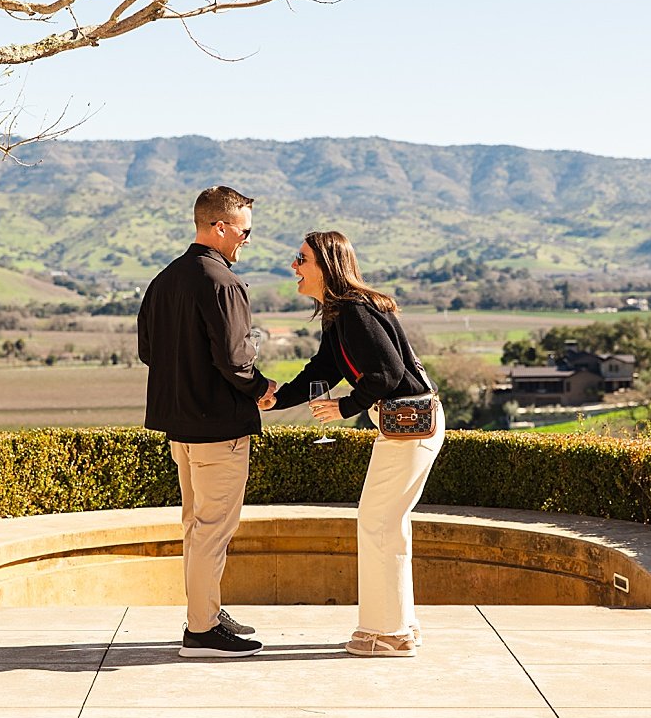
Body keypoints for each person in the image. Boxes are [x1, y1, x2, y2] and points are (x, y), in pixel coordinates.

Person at [258, 230, 445, 657]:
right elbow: (320, 369)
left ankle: (388, 634)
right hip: (407, 428)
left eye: (301, 259)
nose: (294, 266)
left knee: (377, 522)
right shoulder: (339, 315)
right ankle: (400, 627)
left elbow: (389, 373)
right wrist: (277, 399)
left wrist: (346, 408)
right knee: (386, 524)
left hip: (409, 428)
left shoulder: (356, 313)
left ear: (326, 265)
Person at [137, 185, 275, 658]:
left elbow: (147, 353)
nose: (246, 240)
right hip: (221, 429)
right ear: (220, 227)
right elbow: (236, 360)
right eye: (244, 230)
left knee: (196, 528)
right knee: (213, 531)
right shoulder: (224, 284)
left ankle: (208, 613)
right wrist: (262, 389)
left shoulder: (164, 280)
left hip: (181, 429)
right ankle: (201, 631)